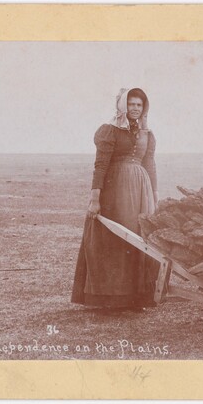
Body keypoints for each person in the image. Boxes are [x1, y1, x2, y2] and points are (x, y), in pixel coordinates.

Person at [71, 88, 159, 310]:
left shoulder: (147, 134)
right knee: (118, 238)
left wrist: (154, 195)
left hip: (141, 189)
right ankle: (111, 298)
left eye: (139, 105)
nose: (135, 109)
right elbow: (100, 166)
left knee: (140, 238)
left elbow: (150, 165)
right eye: (131, 104)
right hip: (115, 190)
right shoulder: (109, 131)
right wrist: (95, 198)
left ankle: (137, 297)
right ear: (122, 106)